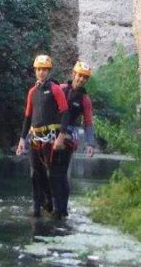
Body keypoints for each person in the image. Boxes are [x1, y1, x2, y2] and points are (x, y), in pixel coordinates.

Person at [15, 54, 70, 218]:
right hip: (34, 138)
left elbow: (65, 113)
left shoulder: (55, 89)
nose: (41, 73)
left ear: (49, 71)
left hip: (51, 138)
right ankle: (38, 207)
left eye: (44, 70)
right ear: (35, 71)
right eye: (39, 69)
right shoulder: (32, 92)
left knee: (53, 174)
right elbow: (27, 117)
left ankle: (56, 207)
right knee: (35, 173)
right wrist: (21, 140)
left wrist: (61, 136)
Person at [52, 60, 96, 218]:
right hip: (52, 130)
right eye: (80, 75)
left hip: (69, 134)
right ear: (73, 74)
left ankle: (62, 208)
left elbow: (88, 123)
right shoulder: (61, 89)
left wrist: (90, 143)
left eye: (85, 77)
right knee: (47, 171)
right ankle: (49, 203)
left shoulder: (85, 100)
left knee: (61, 173)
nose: (81, 79)